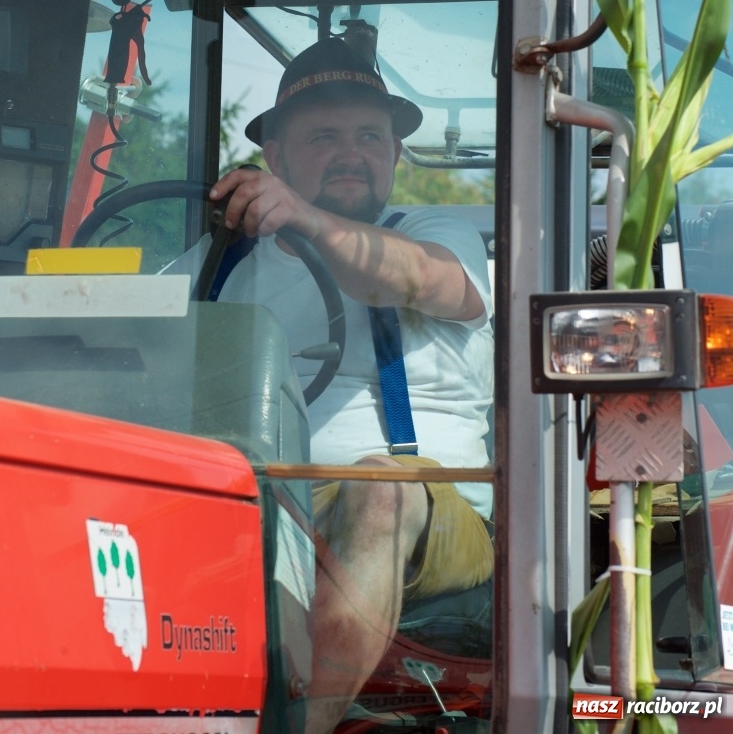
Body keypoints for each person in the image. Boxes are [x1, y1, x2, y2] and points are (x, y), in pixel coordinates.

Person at [172, 38, 494, 734]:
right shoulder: (215, 267)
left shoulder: (437, 234)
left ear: (395, 156)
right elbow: (123, 346)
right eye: (323, 136)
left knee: (378, 487)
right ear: (277, 159)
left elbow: (416, 279)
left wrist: (308, 220)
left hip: (423, 510)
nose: (351, 152)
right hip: (257, 498)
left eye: (369, 137)